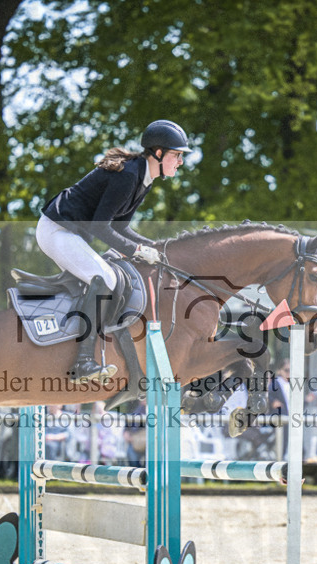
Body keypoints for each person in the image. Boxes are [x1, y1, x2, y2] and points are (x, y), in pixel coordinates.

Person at [37, 120, 190, 384]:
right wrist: (137, 250)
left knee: (106, 277)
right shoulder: (129, 176)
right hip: (57, 230)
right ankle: (82, 362)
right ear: (158, 153)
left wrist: (155, 248)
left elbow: (120, 227)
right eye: (176, 155)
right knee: (105, 278)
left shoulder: (143, 178)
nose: (180, 162)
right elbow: (100, 226)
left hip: (71, 233)